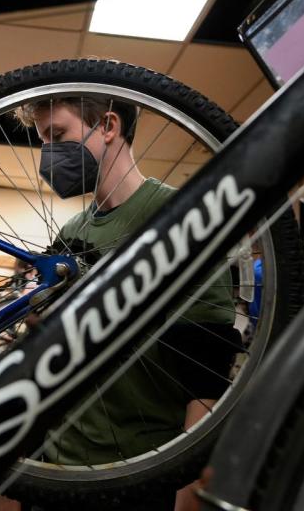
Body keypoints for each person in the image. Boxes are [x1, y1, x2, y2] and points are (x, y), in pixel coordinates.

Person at [17, 96, 241, 510]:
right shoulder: (69, 231)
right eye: (43, 141)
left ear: (108, 126)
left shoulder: (180, 215)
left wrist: (186, 497)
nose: (48, 155)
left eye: (57, 135)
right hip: (58, 465)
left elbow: (207, 372)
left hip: (137, 470)